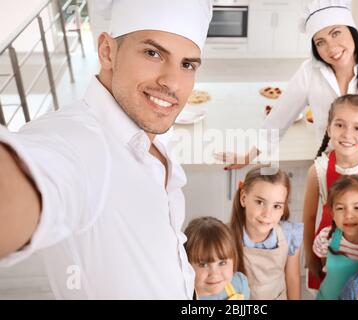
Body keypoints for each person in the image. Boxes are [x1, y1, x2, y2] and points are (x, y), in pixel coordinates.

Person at [0, 0, 212, 299]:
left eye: (187, 64)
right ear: (107, 52)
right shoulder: (77, 142)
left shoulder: (152, 132)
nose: (173, 83)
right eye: (153, 53)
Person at [220, 0, 358, 209]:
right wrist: (248, 156)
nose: (331, 48)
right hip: (332, 171)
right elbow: (278, 119)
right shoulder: (309, 72)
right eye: (320, 42)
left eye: (336, 33)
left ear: (352, 31)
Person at [304, 94, 358, 290]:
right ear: (329, 128)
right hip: (329, 254)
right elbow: (309, 218)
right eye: (339, 125)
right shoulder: (318, 170)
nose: (347, 134)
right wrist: (310, 258)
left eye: (357, 128)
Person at [229, 166, 303, 300]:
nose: (267, 214)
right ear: (244, 198)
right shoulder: (226, 237)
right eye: (260, 202)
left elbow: (292, 279)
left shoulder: (289, 234)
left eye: (277, 206)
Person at [313, 175, 358, 300]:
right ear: (333, 214)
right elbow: (325, 267)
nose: (348, 215)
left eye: (357, 208)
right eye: (340, 208)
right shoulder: (326, 237)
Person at [184, 216, 250, 300]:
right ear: (187, 265)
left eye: (222, 263)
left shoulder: (240, 284)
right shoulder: (184, 295)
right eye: (203, 264)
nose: (214, 274)